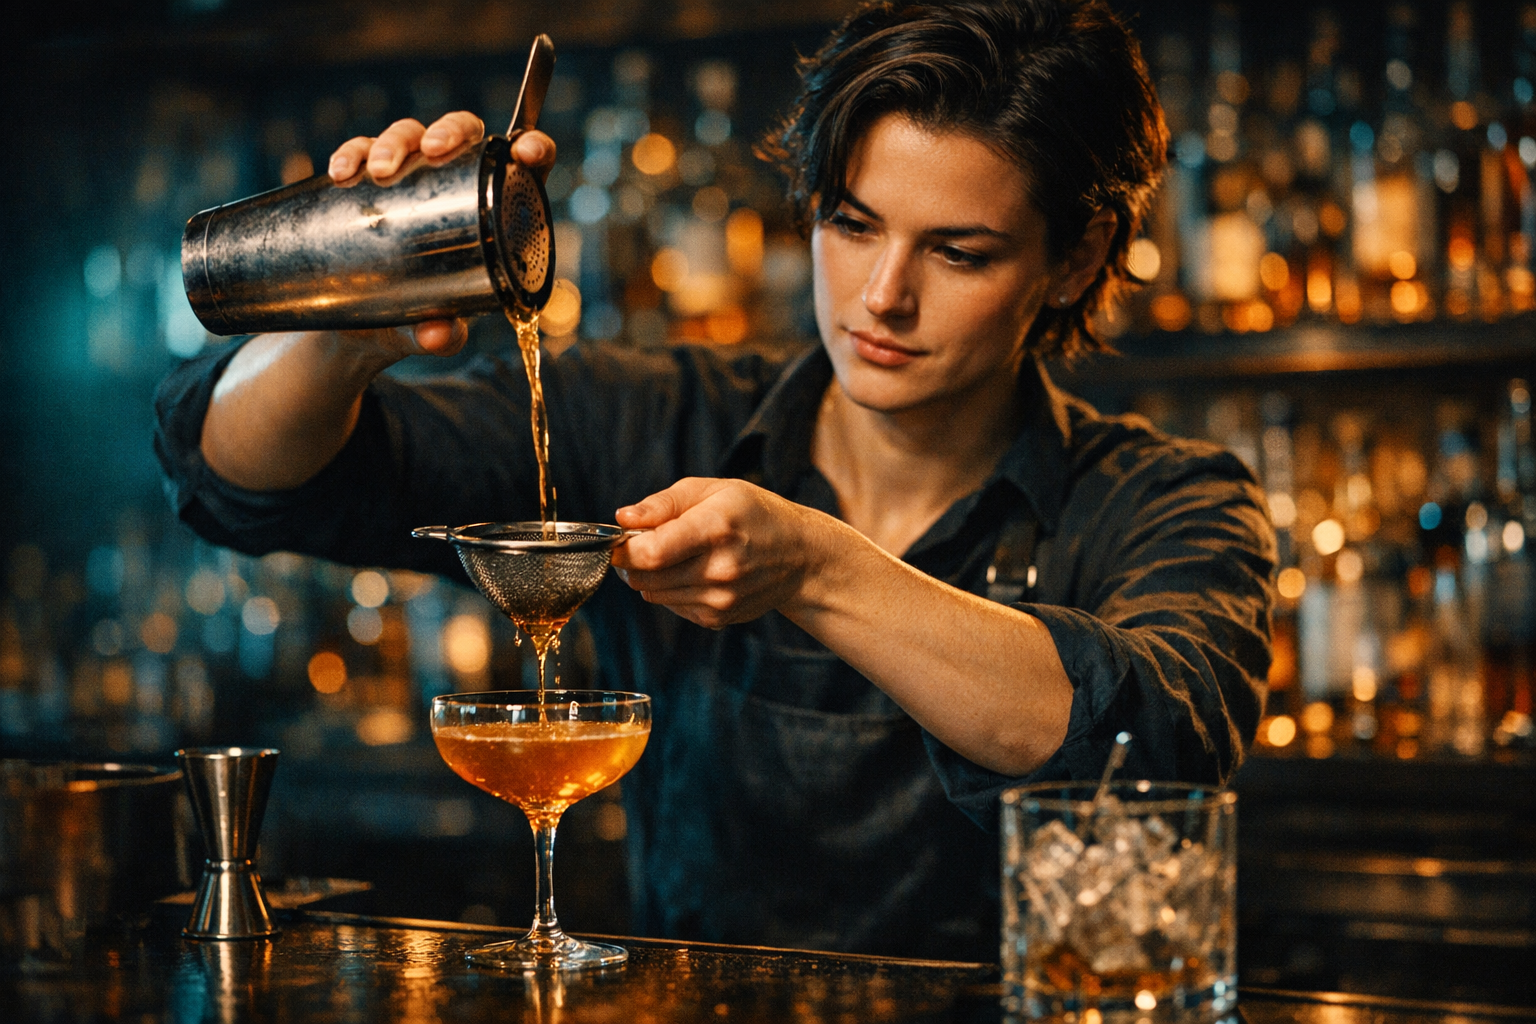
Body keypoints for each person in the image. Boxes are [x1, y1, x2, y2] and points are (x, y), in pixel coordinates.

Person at [155, 0, 1274, 960]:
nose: (882, 296)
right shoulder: (647, 419)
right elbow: (240, 480)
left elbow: (1152, 742)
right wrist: (354, 313)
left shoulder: (1165, 501)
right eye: (851, 224)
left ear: (1075, 257)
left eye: (957, 252)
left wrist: (818, 568)